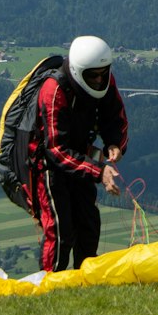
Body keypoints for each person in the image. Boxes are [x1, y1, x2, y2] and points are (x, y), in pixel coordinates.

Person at [28, 34, 129, 272]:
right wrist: (99, 172)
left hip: (82, 157)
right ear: (77, 71)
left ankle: (85, 282)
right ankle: (52, 286)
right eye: (92, 75)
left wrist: (114, 144)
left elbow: (115, 116)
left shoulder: (104, 80)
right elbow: (55, 149)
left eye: (102, 73)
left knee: (88, 225)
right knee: (60, 229)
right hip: (49, 165)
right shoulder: (54, 90)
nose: (98, 79)